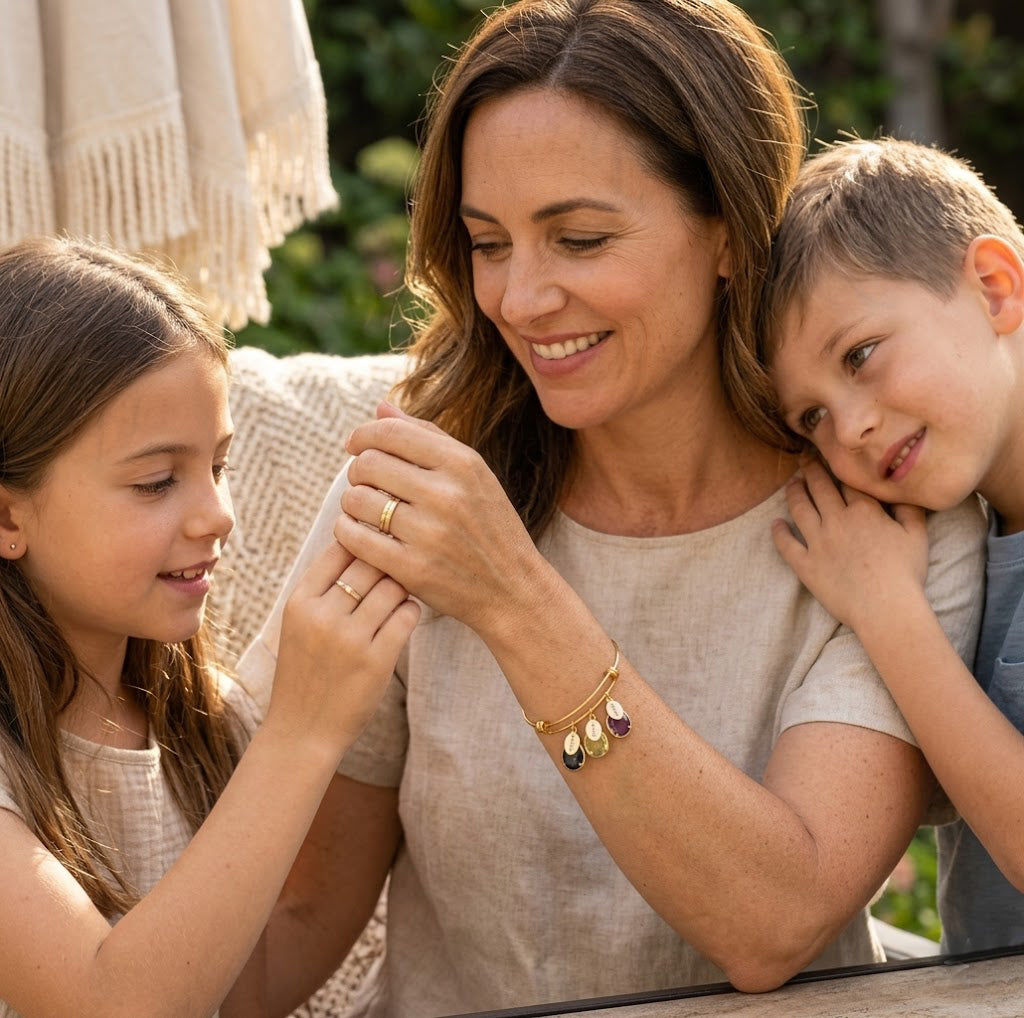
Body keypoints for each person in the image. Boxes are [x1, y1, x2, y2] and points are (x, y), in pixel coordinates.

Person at [238, 3, 987, 1013]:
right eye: (487, 242)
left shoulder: (881, 517)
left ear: (725, 229)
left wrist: (513, 600)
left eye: (579, 239)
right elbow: (296, 921)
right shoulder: (425, 479)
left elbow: (773, 920)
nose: (520, 298)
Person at [0, 236, 419, 1018]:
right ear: (6, 513)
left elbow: (240, 1006)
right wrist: (302, 732)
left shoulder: (199, 727)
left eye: (218, 467)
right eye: (157, 482)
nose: (218, 514)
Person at [762, 137, 1024, 955]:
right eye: (811, 417)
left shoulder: (907, 584)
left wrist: (885, 611)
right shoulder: (972, 538)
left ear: (994, 285)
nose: (852, 427)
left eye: (861, 355)